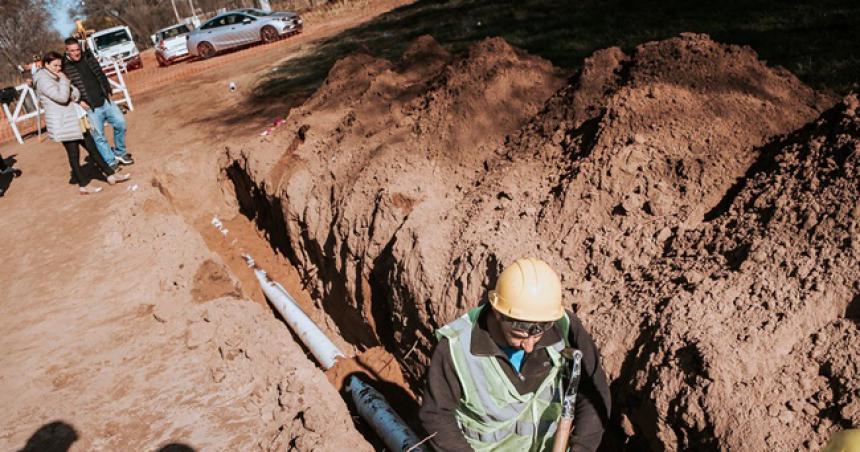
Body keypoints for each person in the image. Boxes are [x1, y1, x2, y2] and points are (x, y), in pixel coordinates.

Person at [420, 257, 611, 451]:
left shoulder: (563, 328)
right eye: (518, 335)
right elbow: (437, 416)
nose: (529, 346)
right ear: (497, 313)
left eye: (538, 334)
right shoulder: (456, 347)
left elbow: (594, 392)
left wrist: (581, 448)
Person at [33, 51, 130, 194]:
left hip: (75, 119)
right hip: (64, 123)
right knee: (74, 155)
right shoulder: (43, 80)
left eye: (60, 65)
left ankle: (110, 174)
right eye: (55, 65)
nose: (58, 68)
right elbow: (61, 97)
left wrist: (67, 87)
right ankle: (83, 185)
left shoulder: (57, 76)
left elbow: (75, 94)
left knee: (92, 148)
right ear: (46, 64)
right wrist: (65, 82)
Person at [62, 37, 134, 170]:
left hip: (105, 100)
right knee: (99, 136)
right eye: (73, 51)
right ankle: (111, 162)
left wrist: (107, 90)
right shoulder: (64, 67)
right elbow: (65, 87)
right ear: (67, 52)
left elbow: (100, 73)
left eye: (77, 49)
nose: (76, 53)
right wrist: (78, 101)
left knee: (120, 124)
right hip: (90, 107)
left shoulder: (88, 57)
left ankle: (120, 152)